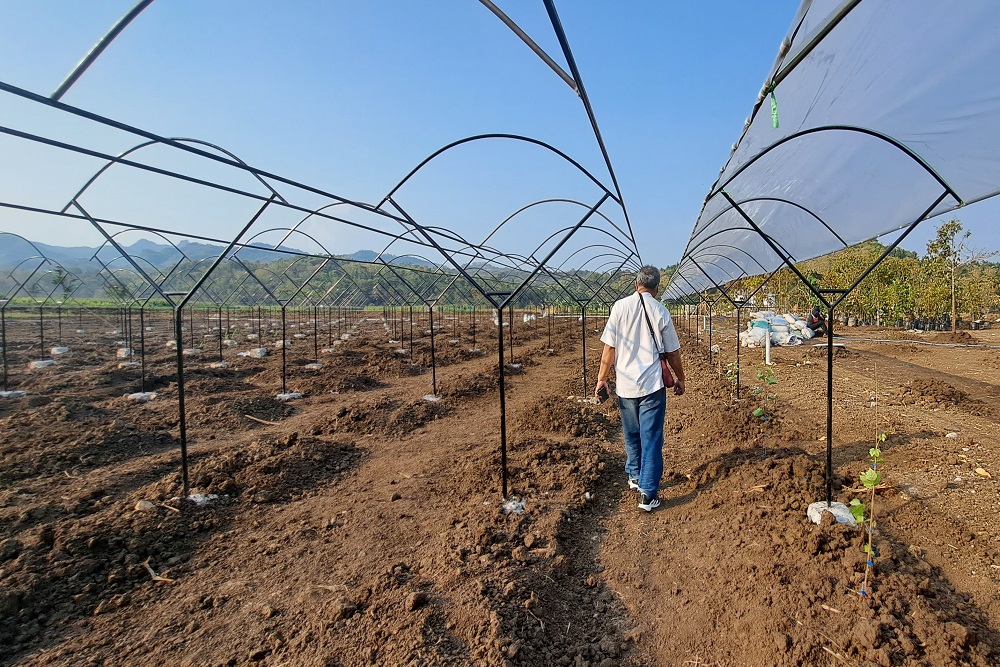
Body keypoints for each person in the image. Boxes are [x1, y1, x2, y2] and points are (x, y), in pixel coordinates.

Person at [594, 266, 685, 512]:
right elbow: (672, 352)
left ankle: (634, 476)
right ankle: (647, 493)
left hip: (625, 385)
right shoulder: (660, 311)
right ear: (656, 288)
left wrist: (602, 378)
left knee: (632, 434)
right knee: (651, 438)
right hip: (652, 385)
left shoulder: (619, 307)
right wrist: (680, 378)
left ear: (636, 284)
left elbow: (609, 349)